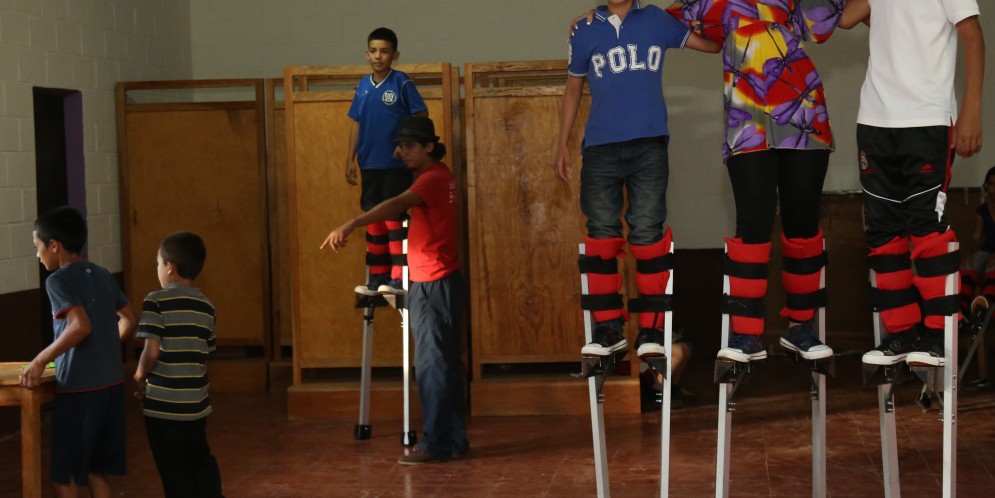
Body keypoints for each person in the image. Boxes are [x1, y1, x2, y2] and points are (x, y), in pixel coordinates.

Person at [556, 0, 720, 363]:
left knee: (648, 231)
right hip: (600, 147)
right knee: (601, 233)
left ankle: (652, 329)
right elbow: (573, 88)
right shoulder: (584, 29)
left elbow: (713, 45)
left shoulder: (656, 20)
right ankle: (608, 329)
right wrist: (562, 143)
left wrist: (699, 11)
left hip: (649, 144)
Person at [841, 0, 985, 368]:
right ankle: (902, 332)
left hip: (927, 118)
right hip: (874, 119)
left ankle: (938, 332)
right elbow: (843, 19)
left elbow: (972, 35)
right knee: (883, 230)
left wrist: (971, 110)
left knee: (925, 225)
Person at [322, 116, 467, 465]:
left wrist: (353, 223)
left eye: (409, 146)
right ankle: (453, 439)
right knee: (445, 366)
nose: (401, 152)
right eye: (400, 146)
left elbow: (395, 204)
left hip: (432, 285)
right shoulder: (441, 174)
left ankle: (437, 444)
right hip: (441, 281)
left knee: (431, 367)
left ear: (429, 146)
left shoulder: (431, 179)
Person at [20, 206, 139, 498]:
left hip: (80, 391)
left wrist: (40, 360)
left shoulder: (57, 280)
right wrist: (106, 346)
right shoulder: (101, 274)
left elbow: (80, 326)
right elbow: (130, 319)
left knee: (67, 474)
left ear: (54, 246)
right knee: (96, 470)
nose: (37, 255)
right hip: (112, 387)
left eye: (37, 246)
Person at [134, 231, 223, 497]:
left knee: (172, 469)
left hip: (163, 407)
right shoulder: (206, 306)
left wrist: (139, 375)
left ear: (170, 267)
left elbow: (151, 351)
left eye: (158, 264)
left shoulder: (155, 301)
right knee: (199, 459)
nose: (158, 269)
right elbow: (205, 352)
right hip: (196, 405)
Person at [346, 27, 429, 296]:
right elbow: (356, 123)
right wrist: (350, 159)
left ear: (395, 54)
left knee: (393, 218)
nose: (378, 56)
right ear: (366, 54)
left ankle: (396, 277)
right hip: (368, 163)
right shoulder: (362, 85)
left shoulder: (401, 82)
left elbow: (421, 113)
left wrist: (404, 145)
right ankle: (377, 276)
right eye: (373, 51)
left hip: (394, 165)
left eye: (384, 51)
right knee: (373, 218)